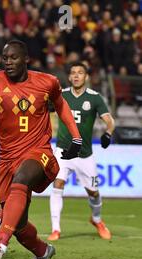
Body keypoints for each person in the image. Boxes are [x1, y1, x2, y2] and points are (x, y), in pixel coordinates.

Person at [0, 40, 82, 259]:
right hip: (7, 159)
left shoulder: (48, 82)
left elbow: (62, 106)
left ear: (26, 59)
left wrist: (76, 138)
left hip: (40, 154)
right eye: (5, 58)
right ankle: (42, 251)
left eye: (13, 58)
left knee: (23, 177)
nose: (8, 62)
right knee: (18, 223)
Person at [48, 62, 115, 241]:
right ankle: (56, 229)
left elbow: (109, 120)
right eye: (73, 73)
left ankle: (97, 219)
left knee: (93, 192)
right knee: (58, 184)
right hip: (63, 151)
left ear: (86, 77)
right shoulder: (61, 96)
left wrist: (108, 133)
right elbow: (44, 109)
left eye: (80, 73)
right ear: (69, 77)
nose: (76, 76)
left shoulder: (95, 98)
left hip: (84, 155)